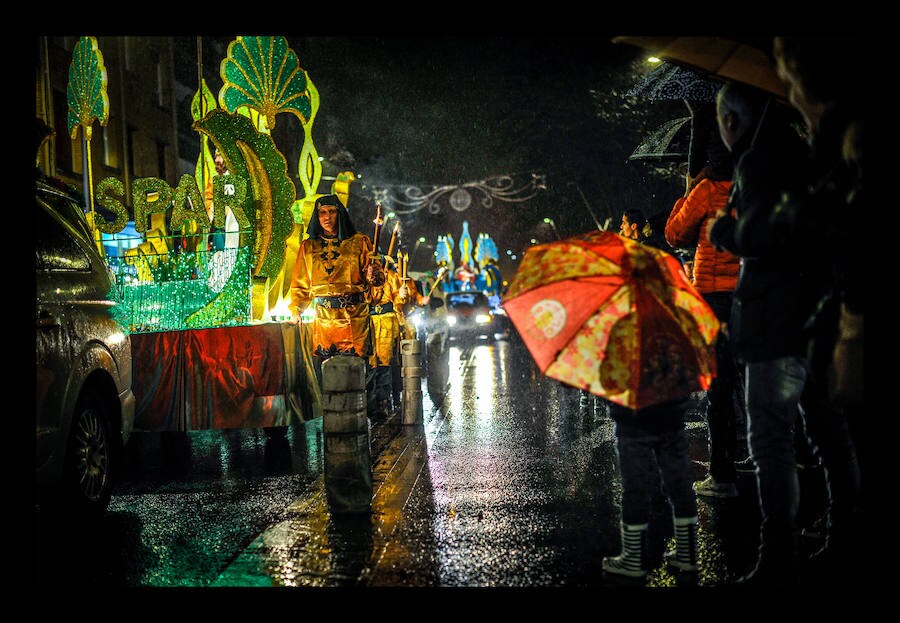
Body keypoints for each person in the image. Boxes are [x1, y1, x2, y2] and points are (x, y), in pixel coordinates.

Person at [706, 81, 826, 587]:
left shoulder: (755, 163)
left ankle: (777, 553)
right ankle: (841, 526)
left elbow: (759, 237)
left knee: (771, 439)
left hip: (773, 318)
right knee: (825, 430)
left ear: (731, 121)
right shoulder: (805, 151)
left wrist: (722, 232)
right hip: (814, 311)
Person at [770, 35, 863, 570]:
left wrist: (850, 324)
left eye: (788, 74)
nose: (786, 86)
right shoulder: (831, 139)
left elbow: (841, 237)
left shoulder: (847, 143)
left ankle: (846, 542)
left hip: (848, 315)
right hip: (835, 310)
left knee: (837, 432)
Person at [665, 136, 742, 499]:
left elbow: (675, 233)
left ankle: (722, 473)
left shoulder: (707, 189)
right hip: (751, 290)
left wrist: (687, 191)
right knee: (752, 381)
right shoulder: (751, 181)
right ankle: (756, 455)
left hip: (715, 297)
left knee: (720, 385)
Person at [290, 194, 384, 386]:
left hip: (354, 319)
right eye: (322, 213)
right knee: (331, 379)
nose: (327, 217)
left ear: (339, 214)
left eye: (331, 212)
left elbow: (376, 281)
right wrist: (296, 310)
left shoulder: (360, 241)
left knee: (357, 377)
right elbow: (300, 283)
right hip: (325, 323)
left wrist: (373, 276)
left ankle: (363, 413)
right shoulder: (308, 247)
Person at [367, 256, 410, 419]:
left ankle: (382, 402)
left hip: (386, 322)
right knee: (369, 363)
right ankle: (369, 404)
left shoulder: (390, 276)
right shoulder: (365, 274)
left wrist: (402, 295)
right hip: (368, 320)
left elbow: (398, 302)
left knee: (384, 363)